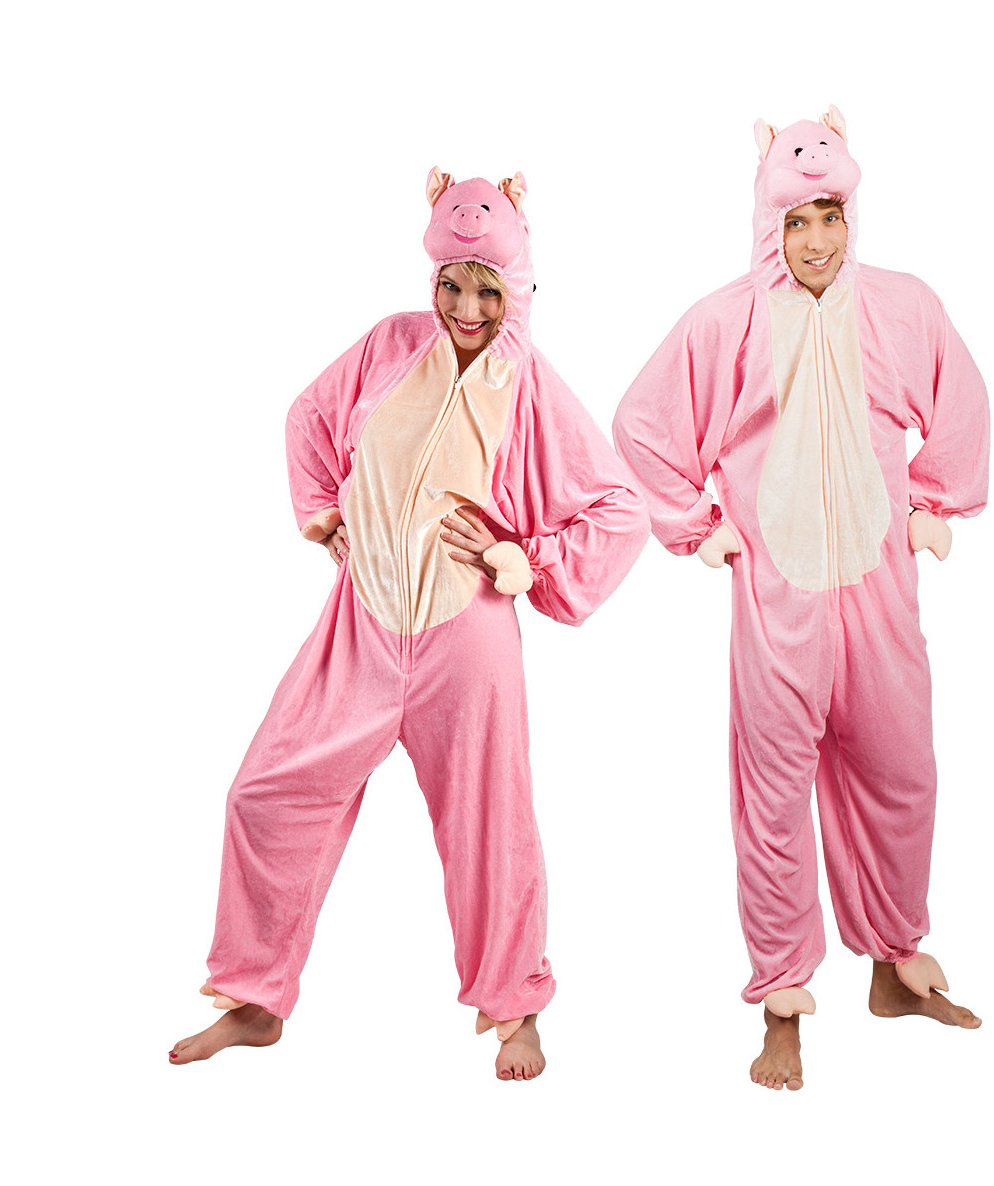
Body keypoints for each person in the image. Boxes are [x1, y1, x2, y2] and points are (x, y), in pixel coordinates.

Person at [170, 168, 648, 1080]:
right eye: (452, 285)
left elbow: (621, 509)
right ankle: (255, 998)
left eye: (487, 290)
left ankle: (515, 1008)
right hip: (361, 623)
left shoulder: (528, 384)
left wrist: (528, 559)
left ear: (517, 288)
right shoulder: (391, 345)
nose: (466, 308)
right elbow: (309, 418)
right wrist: (324, 516)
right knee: (266, 793)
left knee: (490, 825)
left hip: (468, 639)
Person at [612, 108, 990, 1091]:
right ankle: (782, 1001)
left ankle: (895, 964)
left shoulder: (900, 307)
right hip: (777, 602)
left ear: (851, 214)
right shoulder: (726, 322)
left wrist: (938, 501)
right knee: (774, 797)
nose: (817, 239)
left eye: (831, 216)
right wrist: (697, 524)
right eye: (796, 221)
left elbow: (960, 398)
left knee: (902, 770)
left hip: (879, 591)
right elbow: (643, 424)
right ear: (767, 223)